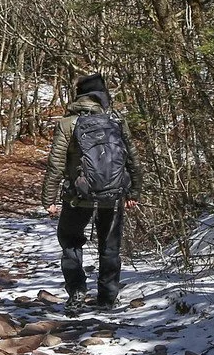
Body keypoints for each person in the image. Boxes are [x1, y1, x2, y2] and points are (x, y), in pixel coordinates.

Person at [42, 72, 141, 308]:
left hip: (78, 196)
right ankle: (107, 298)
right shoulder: (116, 121)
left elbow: (56, 163)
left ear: (79, 96)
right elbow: (133, 159)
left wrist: (49, 199)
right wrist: (134, 192)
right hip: (114, 195)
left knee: (70, 241)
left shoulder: (67, 124)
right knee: (110, 247)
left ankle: (76, 291)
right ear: (103, 96)